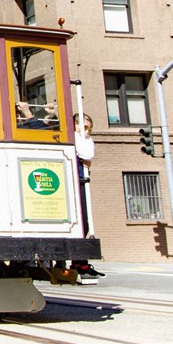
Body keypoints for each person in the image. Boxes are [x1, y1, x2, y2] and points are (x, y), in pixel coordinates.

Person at [72, 113, 104, 281]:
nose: (86, 131)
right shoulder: (74, 138)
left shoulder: (84, 139)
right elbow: (87, 154)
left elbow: (88, 155)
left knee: (83, 222)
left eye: (88, 128)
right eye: (83, 127)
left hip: (81, 180)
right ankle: (79, 262)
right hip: (74, 181)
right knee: (79, 221)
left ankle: (80, 262)